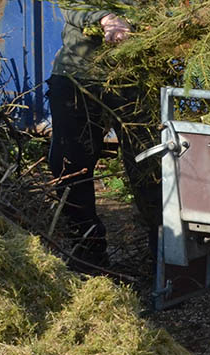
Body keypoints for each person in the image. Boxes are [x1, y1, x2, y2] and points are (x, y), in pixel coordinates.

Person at [47, 2, 161, 270]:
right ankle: (88, 259)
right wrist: (106, 18)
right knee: (71, 168)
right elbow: (71, 4)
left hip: (136, 78)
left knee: (152, 168)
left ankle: (166, 263)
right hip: (78, 78)